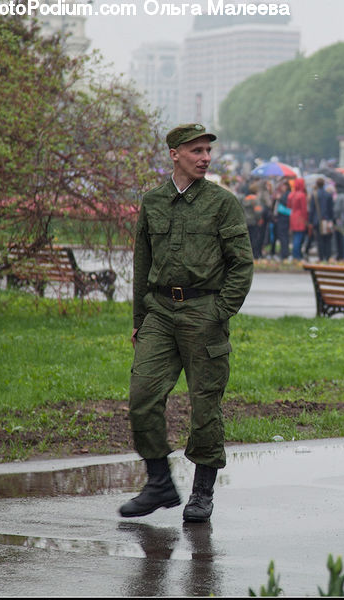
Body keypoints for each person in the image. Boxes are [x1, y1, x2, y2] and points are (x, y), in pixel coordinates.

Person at [120, 123, 254, 522]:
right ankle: (159, 483)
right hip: (160, 312)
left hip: (203, 313)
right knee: (142, 397)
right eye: (196, 150)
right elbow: (142, 263)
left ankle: (202, 493)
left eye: (208, 151)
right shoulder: (154, 202)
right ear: (174, 154)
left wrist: (220, 312)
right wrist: (140, 318)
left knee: (205, 406)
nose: (205, 157)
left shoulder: (222, 203)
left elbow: (241, 264)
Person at [308, 178, 335, 261]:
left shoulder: (314, 195)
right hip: (327, 220)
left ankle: (321, 256)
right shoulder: (328, 195)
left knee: (319, 240)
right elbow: (331, 209)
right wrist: (331, 220)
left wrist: (310, 221)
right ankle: (328, 256)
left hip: (317, 220)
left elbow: (312, 209)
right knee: (327, 239)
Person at [289, 178, 308, 260]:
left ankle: (295, 254)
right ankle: (297, 255)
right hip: (300, 218)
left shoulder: (291, 194)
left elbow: (289, 206)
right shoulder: (302, 195)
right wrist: (306, 219)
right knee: (299, 237)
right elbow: (304, 209)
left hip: (293, 216)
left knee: (295, 237)